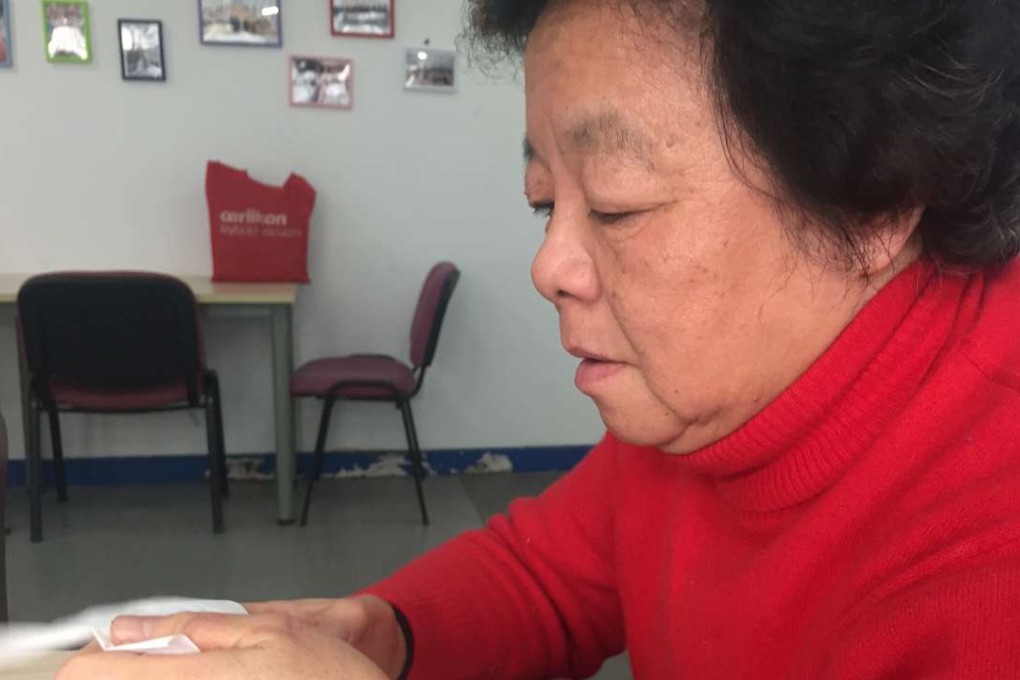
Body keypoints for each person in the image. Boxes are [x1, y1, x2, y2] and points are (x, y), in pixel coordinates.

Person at [60, 0, 1020, 678]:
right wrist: (388, 630)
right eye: (544, 203)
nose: (550, 265)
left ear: (873, 204)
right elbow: (549, 574)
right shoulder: (698, 411)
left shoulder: (986, 572)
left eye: (618, 204)